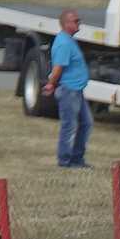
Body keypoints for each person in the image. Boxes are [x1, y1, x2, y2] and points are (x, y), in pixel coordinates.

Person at [47, 10, 93, 169]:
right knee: (69, 125)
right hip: (68, 91)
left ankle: (77, 158)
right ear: (66, 24)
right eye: (75, 21)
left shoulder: (69, 40)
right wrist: (51, 84)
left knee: (86, 123)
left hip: (77, 91)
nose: (78, 23)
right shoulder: (63, 43)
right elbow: (58, 68)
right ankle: (65, 161)